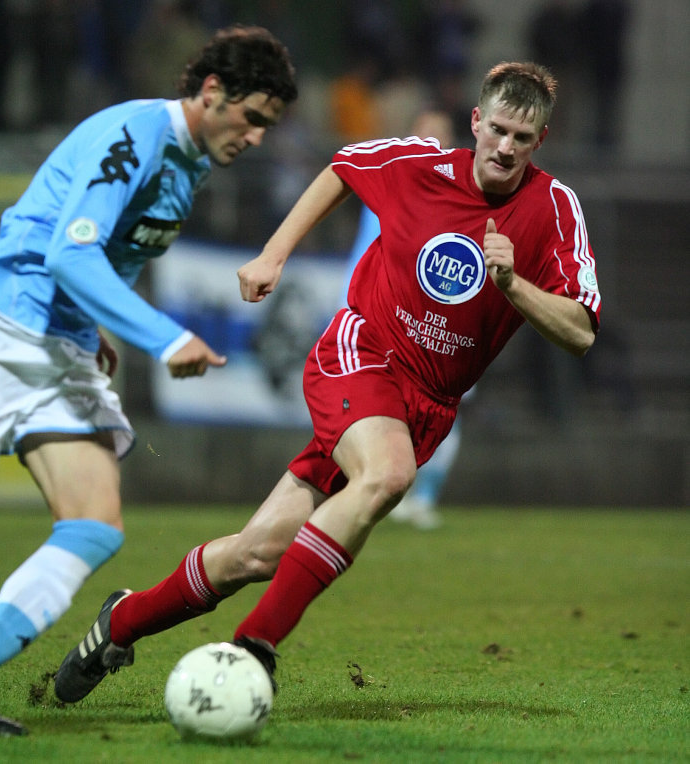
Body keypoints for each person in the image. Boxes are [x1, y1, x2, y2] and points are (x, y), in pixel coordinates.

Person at [54, 62, 600, 705]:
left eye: (523, 138)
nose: (506, 147)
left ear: (541, 141)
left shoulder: (554, 209)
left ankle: (122, 622)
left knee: (256, 555)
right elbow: (343, 166)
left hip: (426, 407)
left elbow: (580, 332)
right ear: (477, 122)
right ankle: (254, 646)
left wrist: (513, 285)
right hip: (363, 353)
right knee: (388, 475)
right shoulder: (419, 164)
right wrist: (274, 253)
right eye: (499, 130)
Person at [0, 25, 297, 735]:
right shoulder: (136, 137)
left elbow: (112, 257)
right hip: (10, 330)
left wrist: (97, 326)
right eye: (251, 117)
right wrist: (165, 337)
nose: (255, 137)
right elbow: (70, 255)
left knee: (93, 525)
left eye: (268, 126)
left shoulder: (189, 165)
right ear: (212, 91)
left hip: (57, 347)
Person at [343, 108, 468, 530]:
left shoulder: (465, 194)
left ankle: (424, 495)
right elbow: (366, 247)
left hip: (444, 320)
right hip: (385, 313)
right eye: (424, 133)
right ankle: (378, 486)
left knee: (442, 409)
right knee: (379, 403)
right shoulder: (391, 178)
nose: (430, 141)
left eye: (439, 134)